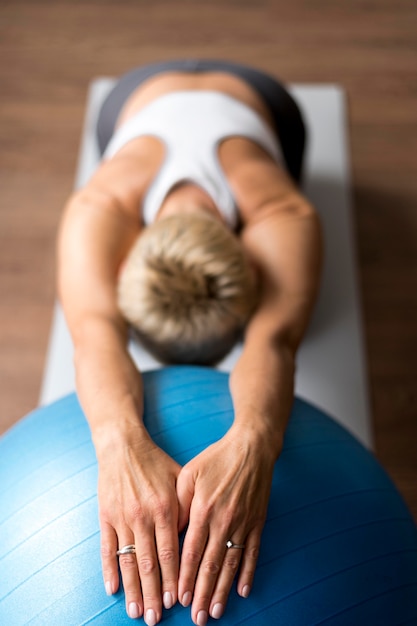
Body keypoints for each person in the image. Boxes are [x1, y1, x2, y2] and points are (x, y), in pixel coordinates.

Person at [57, 59, 322, 625]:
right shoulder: (95, 210)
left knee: (302, 309)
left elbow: (273, 340)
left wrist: (254, 445)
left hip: (262, 96)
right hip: (135, 96)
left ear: (255, 260)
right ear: (123, 261)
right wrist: (118, 448)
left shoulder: (285, 211)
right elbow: (93, 336)